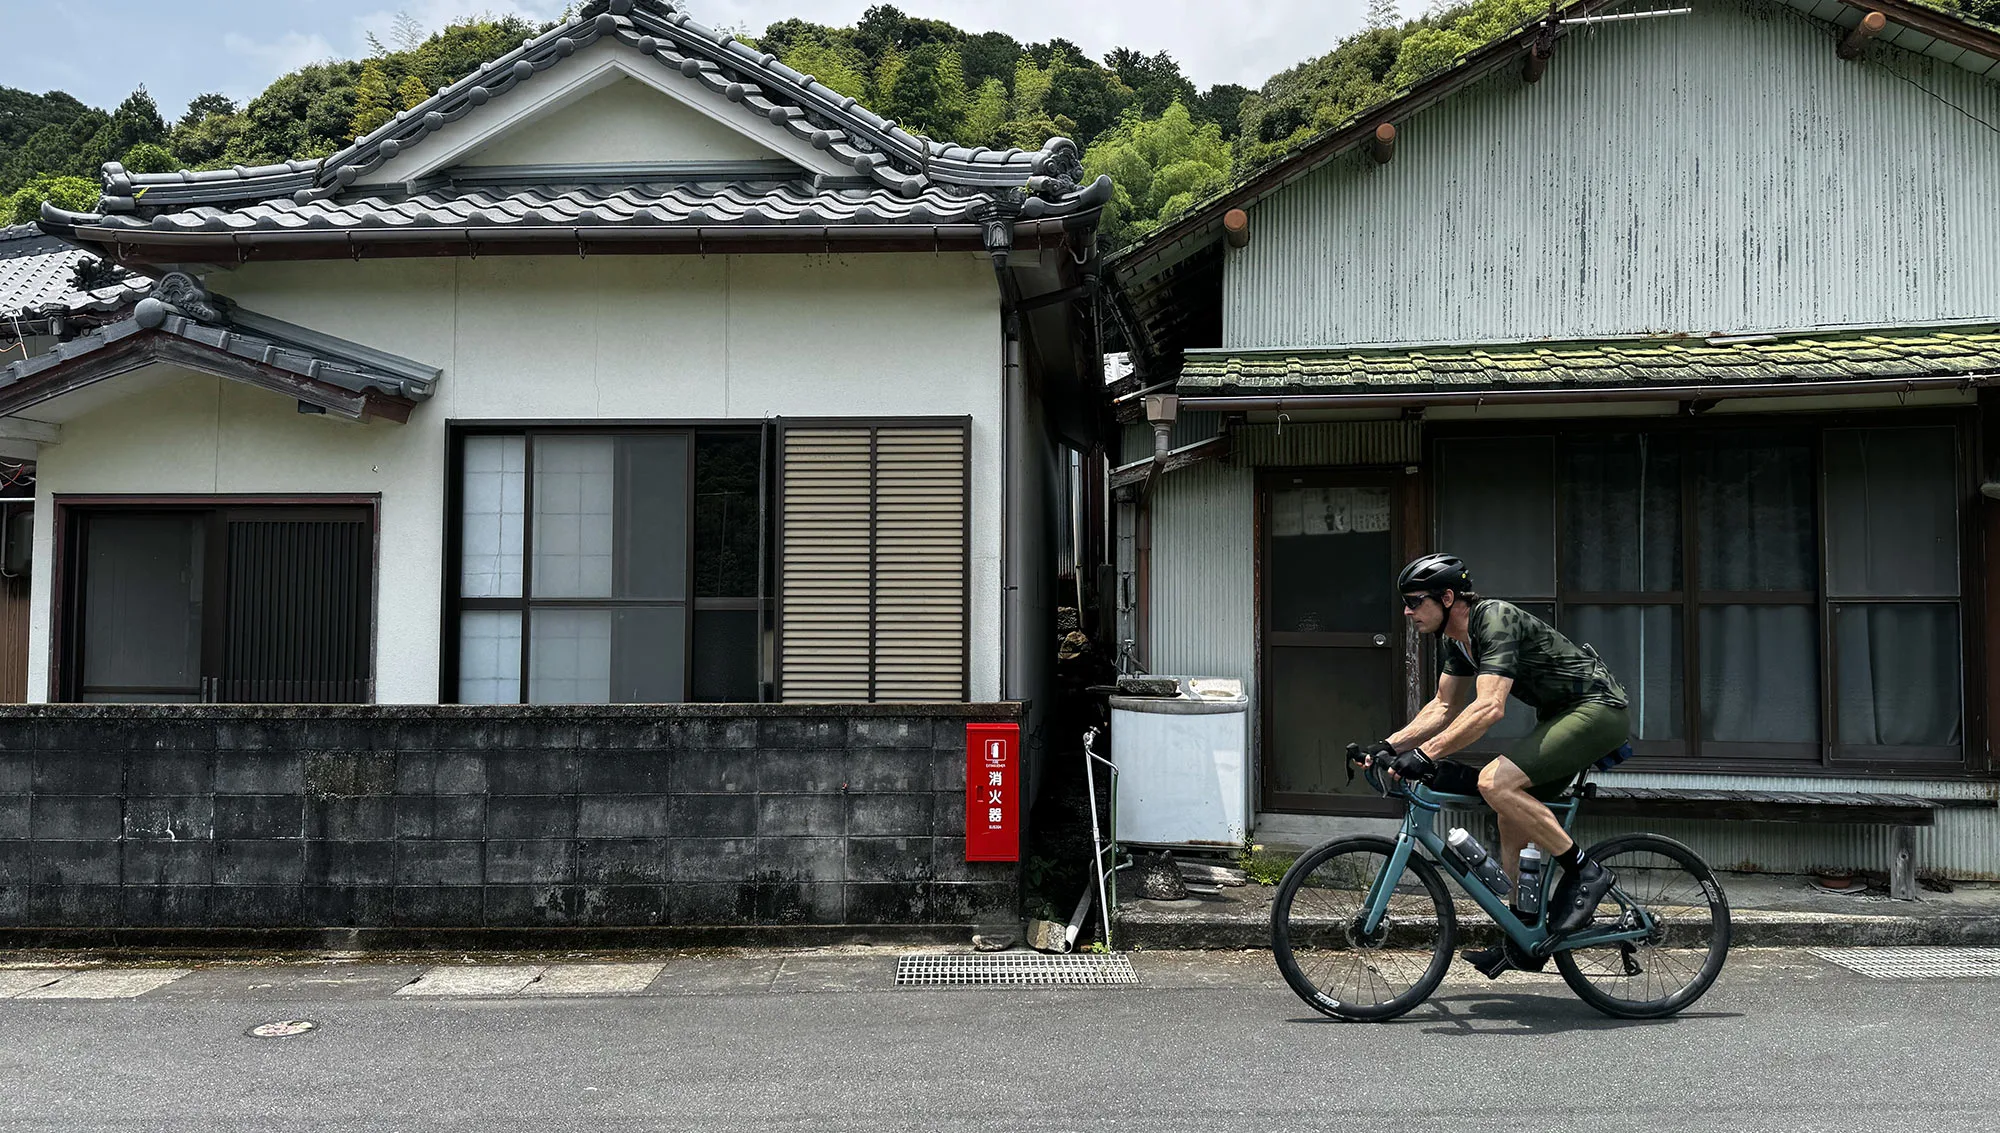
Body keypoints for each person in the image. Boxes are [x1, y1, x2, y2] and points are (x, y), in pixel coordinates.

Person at [1357, 553, 1631, 978]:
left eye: (1414, 601)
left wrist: (1427, 754)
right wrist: (1386, 745)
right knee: (1510, 812)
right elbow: (1444, 706)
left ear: (1448, 597)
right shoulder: (1459, 642)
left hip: (1596, 708)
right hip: (1559, 717)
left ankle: (1586, 872)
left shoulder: (1494, 619)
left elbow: (1489, 708)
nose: (1408, 612)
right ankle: (1525, 932)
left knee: (1494, 782)